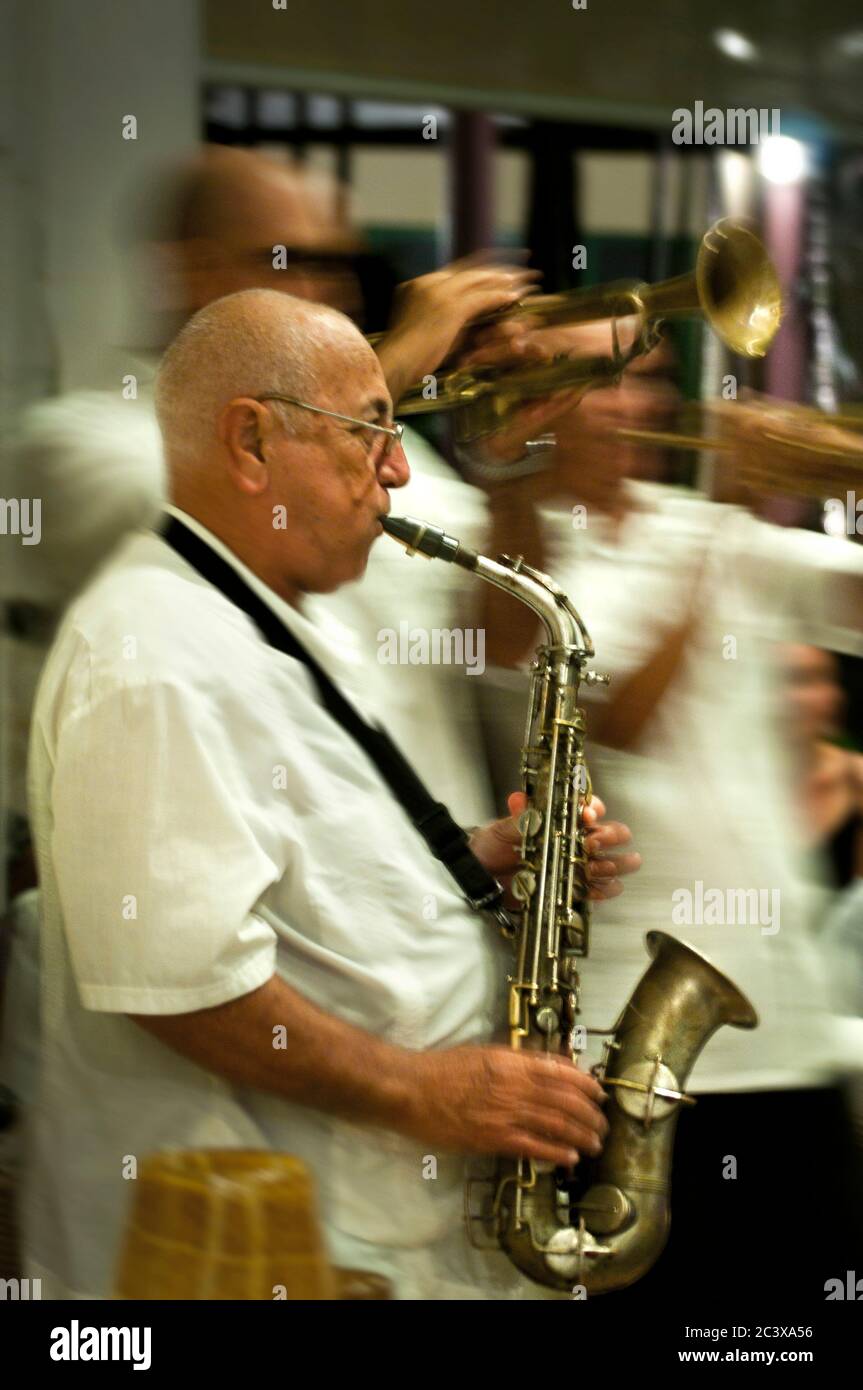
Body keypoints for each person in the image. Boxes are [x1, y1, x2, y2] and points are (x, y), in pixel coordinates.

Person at [24, 288, 640, 1301]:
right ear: (251, 442)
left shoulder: (276, 621)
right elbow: (178, 983)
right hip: (260, 1245)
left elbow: (297, 865)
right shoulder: (155, 653)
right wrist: (426, 1091)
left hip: (367, 1226)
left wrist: (472, 858)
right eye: (372, 432)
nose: (398, 472)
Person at [474, 335, 863, 1302]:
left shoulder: (699, 524)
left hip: (782, 1032)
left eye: (645, 379)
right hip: (627, 1053)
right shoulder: (515, 560)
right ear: (530, 408)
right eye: (599, 384)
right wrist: (730, 516)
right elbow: (621, 725)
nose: (635, 405)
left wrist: (846, 465)